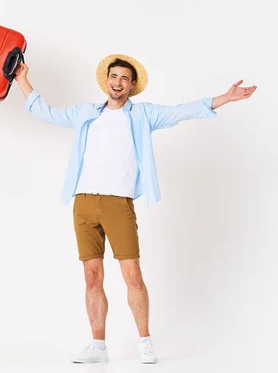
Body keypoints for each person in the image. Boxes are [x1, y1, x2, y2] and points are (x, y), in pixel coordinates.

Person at [13, 54, 257, 364]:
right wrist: (22, 79)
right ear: (107, 80)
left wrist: (227, 98)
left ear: (132, 85)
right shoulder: (86, 113)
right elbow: (46, 113)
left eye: (124, 79)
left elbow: (183, 111)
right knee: (91, 276)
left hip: (118, 203)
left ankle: (144, 341)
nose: (117, 82)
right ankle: (98, 346)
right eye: (113, 76)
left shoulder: (143, 115)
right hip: (84, 202)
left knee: (133, 275)